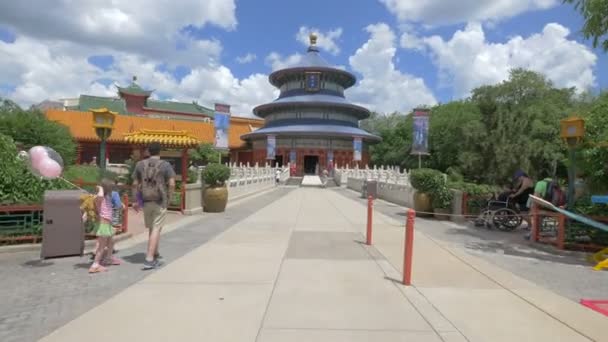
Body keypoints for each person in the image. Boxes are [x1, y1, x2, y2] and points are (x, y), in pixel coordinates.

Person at [132, 142, 176, 270]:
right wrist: (170, 197)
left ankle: (154, 252)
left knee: (152, 227)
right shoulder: (166, 165)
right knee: (157, 228)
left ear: (148, 151)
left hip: (146, 200)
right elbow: (172, 183)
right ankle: (149, 259)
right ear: (160, 151)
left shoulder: (140, 164)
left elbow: (135, 184)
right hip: (160, 200)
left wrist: (135, 200)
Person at [89, 179, 122, 273]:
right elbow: (100, 195)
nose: (112, 190)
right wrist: (100, 188)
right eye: (110, 188)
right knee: (101, 247)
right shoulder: (99, 198)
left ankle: (108, 258)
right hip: (103, 225)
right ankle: (95, 265)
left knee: (111, 242)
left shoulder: (106, 197)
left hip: (107, 224)